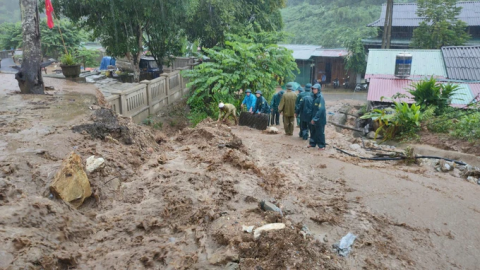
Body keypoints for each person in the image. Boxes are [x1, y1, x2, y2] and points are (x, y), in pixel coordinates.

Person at [308, 84, 327, 150]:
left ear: (318, 90)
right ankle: (312, 143)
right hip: (313, 117)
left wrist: (315, 118)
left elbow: (321, 109)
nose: (313, 90)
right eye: (313, 89)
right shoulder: (314, 97)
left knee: (320, 132)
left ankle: (321, 145)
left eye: (315, 89)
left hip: (320, 119)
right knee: (313, 131)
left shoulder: (320, 97)